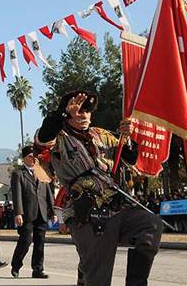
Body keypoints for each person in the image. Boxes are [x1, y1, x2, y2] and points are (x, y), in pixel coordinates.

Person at [37, 90, 163, 286]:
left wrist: (127, 137)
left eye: (87, 111)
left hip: (117, 207)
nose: (84, 116)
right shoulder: (58, 138)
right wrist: (62, 112)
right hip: (86, 214)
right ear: (68, 114)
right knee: (97, 279)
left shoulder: (101, 135)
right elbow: (43, 139)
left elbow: (130, 159)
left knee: (151, 225)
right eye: (78, 111)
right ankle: (85, 275)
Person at [10, 145, 56, 279]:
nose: (33, 158)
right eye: (30, 156)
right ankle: (16, 265)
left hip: (41, 213)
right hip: (27, 214)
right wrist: (18, 213)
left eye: (35, 156)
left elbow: (48, 194)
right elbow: (17, 195)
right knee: (25, 240)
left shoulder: (42, 172)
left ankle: (38, 269)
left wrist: (52, 212)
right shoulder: (18, 174)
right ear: (24, 158)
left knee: (40, 242)